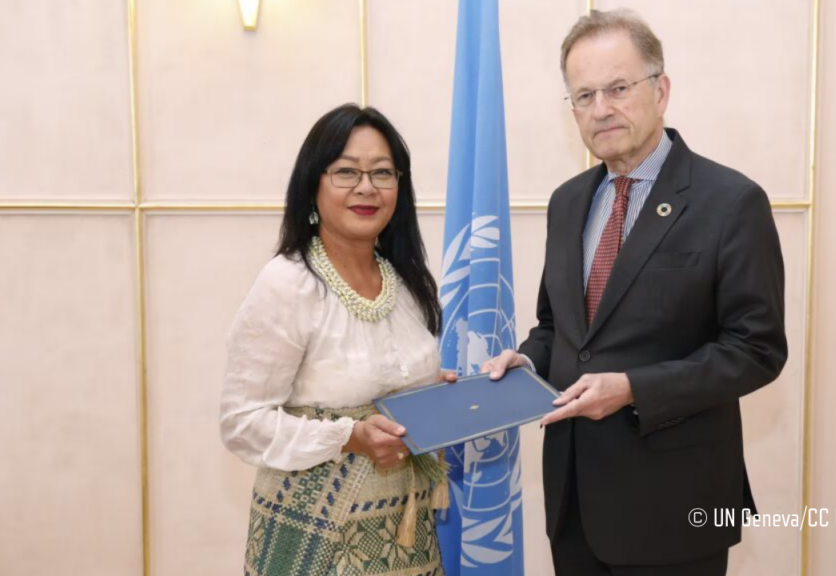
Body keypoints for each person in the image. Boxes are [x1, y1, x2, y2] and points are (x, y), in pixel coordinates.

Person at [482, 9, 788, 576]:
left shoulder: (731, 201)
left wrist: (632, 389)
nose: (601, 108)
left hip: (675, 507)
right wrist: (526, 362)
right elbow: (559, 328)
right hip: (575, 502)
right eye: (584, 95)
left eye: (618, 88)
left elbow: (757, 350)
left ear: (661, 90)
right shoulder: (567, 202)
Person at [220, 104, 453, 576]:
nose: (366, 187)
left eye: (382, 173)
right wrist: (348, 438)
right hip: (311, 541)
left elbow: (388, 381)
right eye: (347, 172)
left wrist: (439, 395)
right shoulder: (287, 283)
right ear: (313, 184)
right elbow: (241, 423)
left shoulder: (407, 281)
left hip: (405, 541)